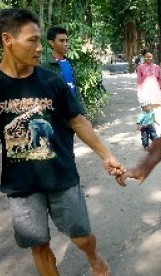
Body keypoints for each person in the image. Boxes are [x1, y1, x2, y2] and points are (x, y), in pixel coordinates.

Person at [0, 8, 125, 275]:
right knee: (38, 245)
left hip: (61, 176)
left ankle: (94, 257)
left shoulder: (51, 81)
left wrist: (106, 154)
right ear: (8, 40)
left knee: (81, 236)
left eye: (38, 40)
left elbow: (77, 121)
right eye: (31, 40)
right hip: (21, 185)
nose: (38, 48)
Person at [42, 26, 85, 109]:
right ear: (51, 42)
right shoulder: (46, 66)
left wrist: (83, 110)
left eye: (66, 40)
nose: (65, 44)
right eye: (61, 41)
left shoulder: (70, 63)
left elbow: (76, 88)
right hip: (58, 113)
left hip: (74, 110)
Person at [136, 52, 161, 134]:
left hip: (156, 95)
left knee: (158, 115)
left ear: (152, 58)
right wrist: (139, 94)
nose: (148, 58)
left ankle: (160, 134)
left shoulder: (157, 68)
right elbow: (139, 82)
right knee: (146, 116)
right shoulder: (140, 68)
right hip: (145, 95)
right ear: (144, 58)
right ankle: (146, 137)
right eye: (147, 57)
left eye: (150, 57)